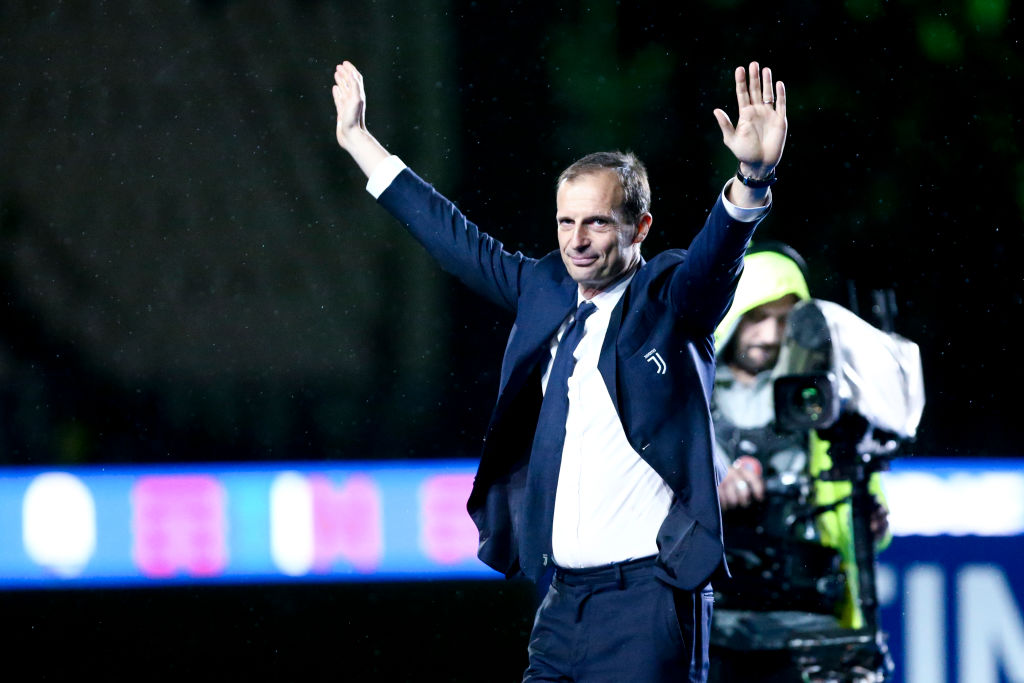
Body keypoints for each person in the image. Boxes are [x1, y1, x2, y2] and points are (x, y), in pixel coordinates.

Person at [332, 58, 788, 682]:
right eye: (566, 222)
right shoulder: (544, 288)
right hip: (560, 604)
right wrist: (360, 141)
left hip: (648, 603)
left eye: (597, 221)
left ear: (639, 227)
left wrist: (750, 181)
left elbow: (714, 263)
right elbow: (451, 236)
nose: (576, 239)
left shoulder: (666, 296)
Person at [708, 244, 892, 682]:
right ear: (730, 314)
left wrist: (872, 525)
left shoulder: (825, 402)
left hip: (804, 606)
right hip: (707, 611)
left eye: (784, 319)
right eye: (756, 316)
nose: (770, 335)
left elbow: (859, 514)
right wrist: (706, 488)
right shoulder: (685, 396)